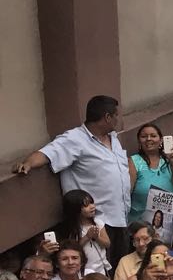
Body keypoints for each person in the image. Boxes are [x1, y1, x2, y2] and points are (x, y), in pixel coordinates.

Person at [13, 95, 132, 263]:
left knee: (120, 267)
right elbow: (48, 153)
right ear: (107, 117)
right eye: (116, 116)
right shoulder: (74, 139)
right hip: (96, 220)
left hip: (120, 216)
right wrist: (28, 164)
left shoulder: (113, 138)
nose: (118, 120)